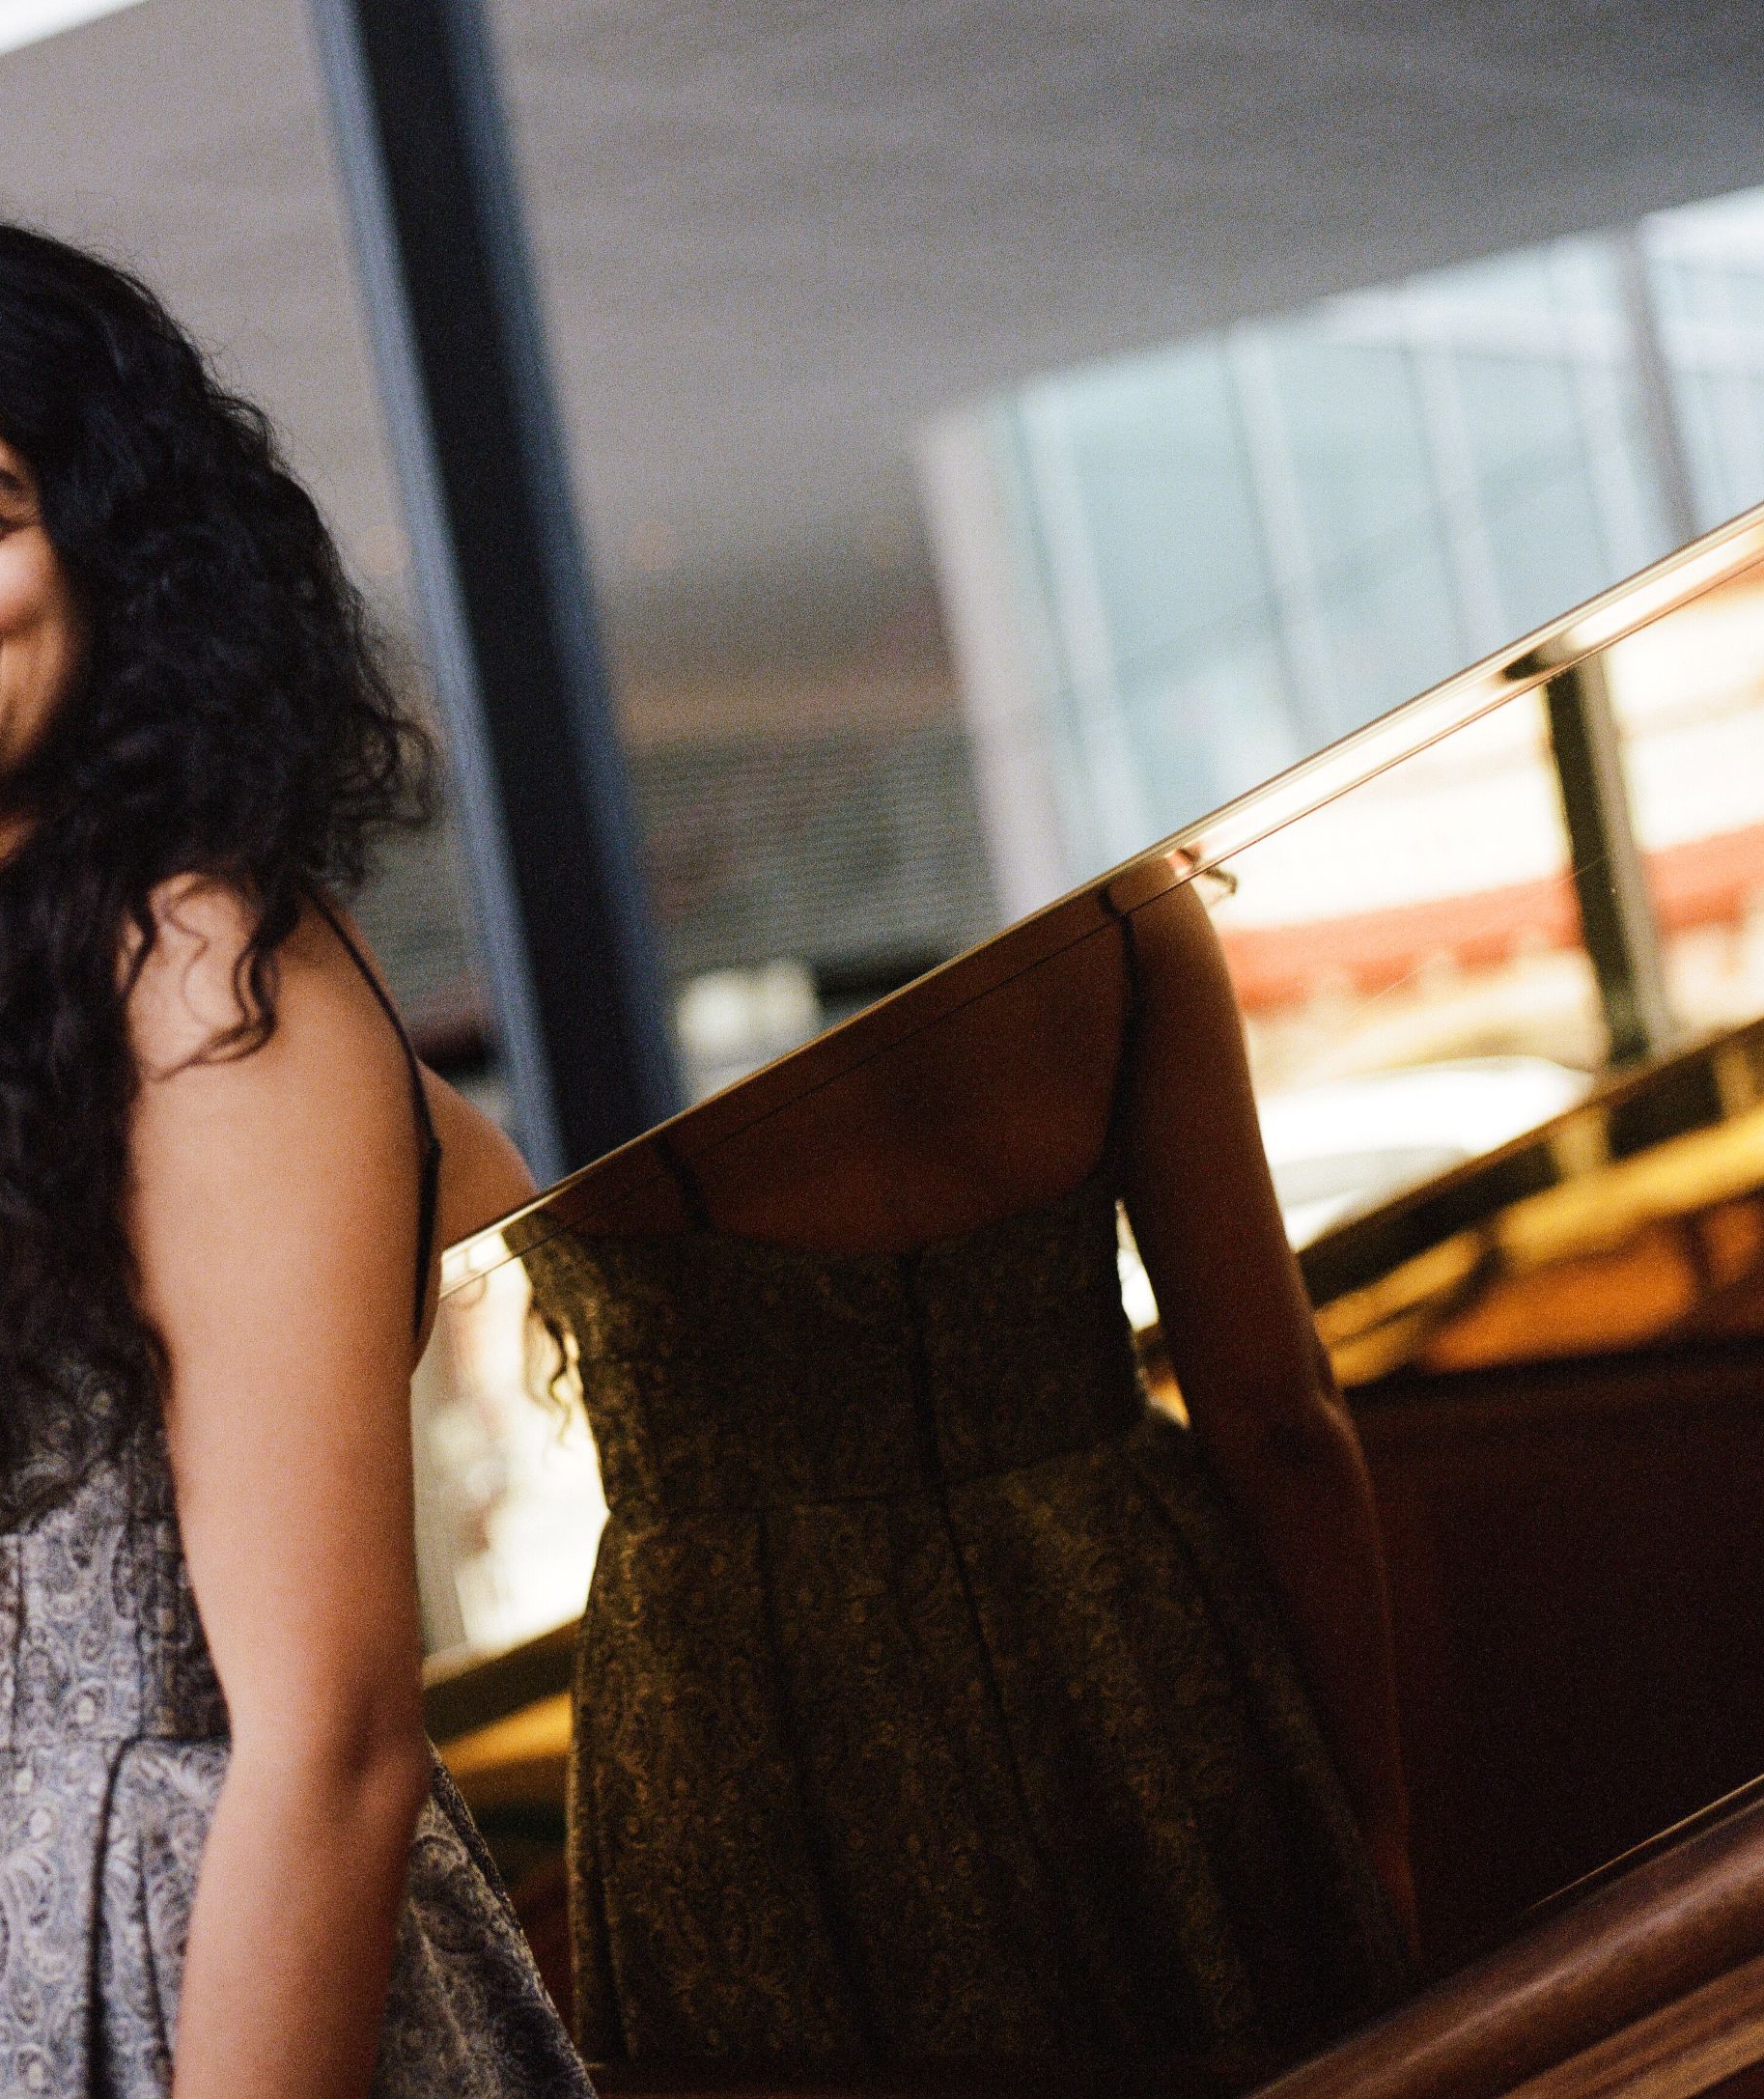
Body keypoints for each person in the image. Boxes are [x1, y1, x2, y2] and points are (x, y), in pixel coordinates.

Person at [0, 220, 588, 2099]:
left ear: (119, 556)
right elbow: (476, 1193)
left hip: (184, 1970)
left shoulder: (201, 972)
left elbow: (334, 1741)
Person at [527, 873, 1417, 2077]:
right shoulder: (1120, 917)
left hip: (741, 1696)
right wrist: (1371, 1823)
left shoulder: (560, 962)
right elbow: (1276, 1419)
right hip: (1119, 1636)